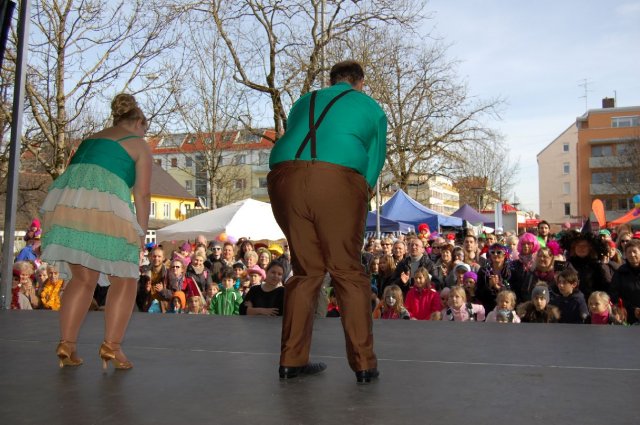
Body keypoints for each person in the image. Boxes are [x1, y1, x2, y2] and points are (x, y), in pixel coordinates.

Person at [267, 60, 386, 384]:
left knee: (306, 272)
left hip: (283, 177)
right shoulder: (371, 107)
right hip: (336, 178)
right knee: (347, 271)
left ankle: (291, 360)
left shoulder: (304, 101)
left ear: (331, 81)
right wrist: (360, 195)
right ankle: (364, 364)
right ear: (360, 82)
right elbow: (374, 161)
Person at [41, 93, 150, 370]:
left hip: (67, 206)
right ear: (138, 122)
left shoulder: (89, 140)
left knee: (81, 279)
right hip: (105, 209)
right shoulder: (138, 144)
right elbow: (142, 194)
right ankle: (112, 346)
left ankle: (67, 344)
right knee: (125, 277)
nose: (144, 135)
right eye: (145, 129)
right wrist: (141, 232)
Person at [476, 243, 512, 314]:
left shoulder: (510, 271)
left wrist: (499, 288)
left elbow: (513, 292)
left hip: (506, 309)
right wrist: (489, 286)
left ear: (505, 255)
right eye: (492, 252)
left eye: (499, 252)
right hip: (488, 309)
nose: (495, 254)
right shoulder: (483, 271)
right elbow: (478, 293)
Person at [610, 239, 640, 324]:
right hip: (627, 316)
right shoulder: (620, 272)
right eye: (629, 252)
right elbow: (614, 295)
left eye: (634, 252)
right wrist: (632, 309)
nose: (632, 255)